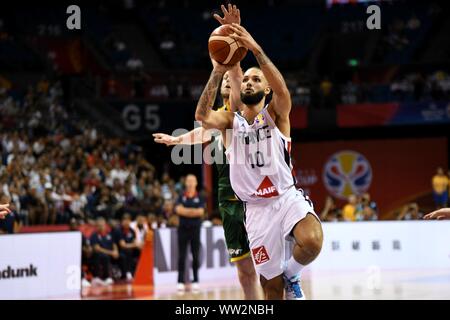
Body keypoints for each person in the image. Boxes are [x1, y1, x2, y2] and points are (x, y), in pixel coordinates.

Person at [194, 23, 323, 300]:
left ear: (266, 89)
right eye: (247, 80)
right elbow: (202, 117)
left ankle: (292, 272)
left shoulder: (276, 115)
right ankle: (283, 279)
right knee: (272, 292)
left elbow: (283, 90)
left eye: (256, 79)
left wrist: (254, 48)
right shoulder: (230, 123)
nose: (250, 82)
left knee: (312, 242)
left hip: (286, 197)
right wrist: (219, 69)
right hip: (256, 211)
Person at [153, 3, 262, 300]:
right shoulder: (220, 115)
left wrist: (235, 37)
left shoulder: (243, 109)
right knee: (244, 271)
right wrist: (176, 142)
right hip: (229, 196)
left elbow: (237, 73)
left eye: (230, 78)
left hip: (256, 194)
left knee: (269, 267)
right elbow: (201, 131)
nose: (228, 80)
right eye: (224, 79)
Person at [174, 174, 205, 293]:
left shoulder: (200, 196)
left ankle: (196, 280)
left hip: (195, 230)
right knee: (182, 256)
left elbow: (200, 212)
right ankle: (180, 281)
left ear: (196, 183)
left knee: (195, 255)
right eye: (189, 181)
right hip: (182, 229)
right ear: (186, 183)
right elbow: (178, 210)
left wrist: (186, 211)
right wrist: (192, 211)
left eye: (193, 181)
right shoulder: (181, 196)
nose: (191, 183)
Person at [90, 217, 119, 286]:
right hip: (100, 255)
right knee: (103, 256)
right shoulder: (94, 235)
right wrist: (111, 253)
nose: (101, 227)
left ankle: (126, 273)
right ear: (96, 226)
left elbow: (114, 244)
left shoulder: (109, 234)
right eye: (99, 225)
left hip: (111, 253)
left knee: (123, 255)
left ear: (105, 225)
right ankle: (105, 277)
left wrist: (116, 251)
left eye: (102, 225)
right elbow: (97, 248)